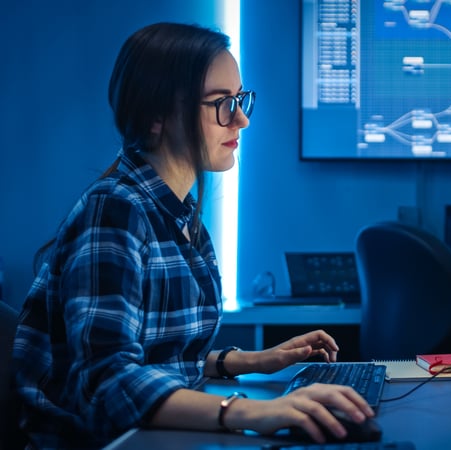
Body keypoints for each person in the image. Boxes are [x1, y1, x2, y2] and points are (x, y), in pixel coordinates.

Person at [11, 22, 373, 449]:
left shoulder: (181, 216)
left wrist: (256, 361)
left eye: (240, 99)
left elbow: (163, 359)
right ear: (156, 117)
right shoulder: (115, 210)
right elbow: (106, 383)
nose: (240, 119)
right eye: (221, 103)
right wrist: (253, 412)